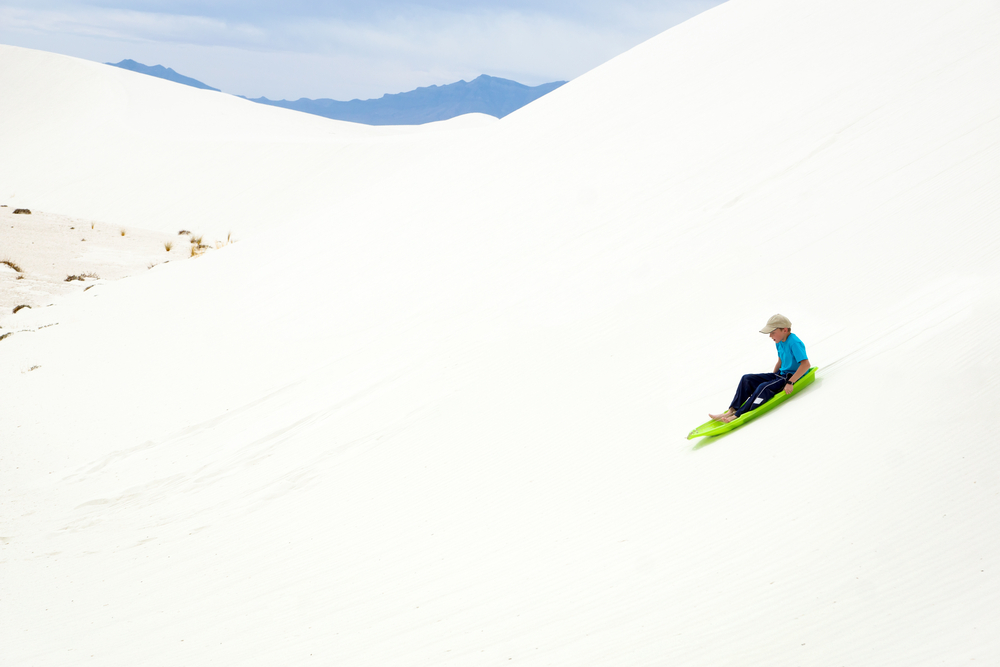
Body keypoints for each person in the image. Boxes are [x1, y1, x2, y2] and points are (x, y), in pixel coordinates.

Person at [709, 314, 811, 424]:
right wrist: (771, 379)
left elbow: (806, 364)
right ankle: (731, 410)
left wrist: (790, 382)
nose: (770, 336)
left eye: (773, 332)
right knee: (747, 378)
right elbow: (780, 362)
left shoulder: (794, 342)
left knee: (763, 387)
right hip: (780, 375)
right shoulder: (779, 341)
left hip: (790, 377)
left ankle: (737, 415)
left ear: (784, 330)